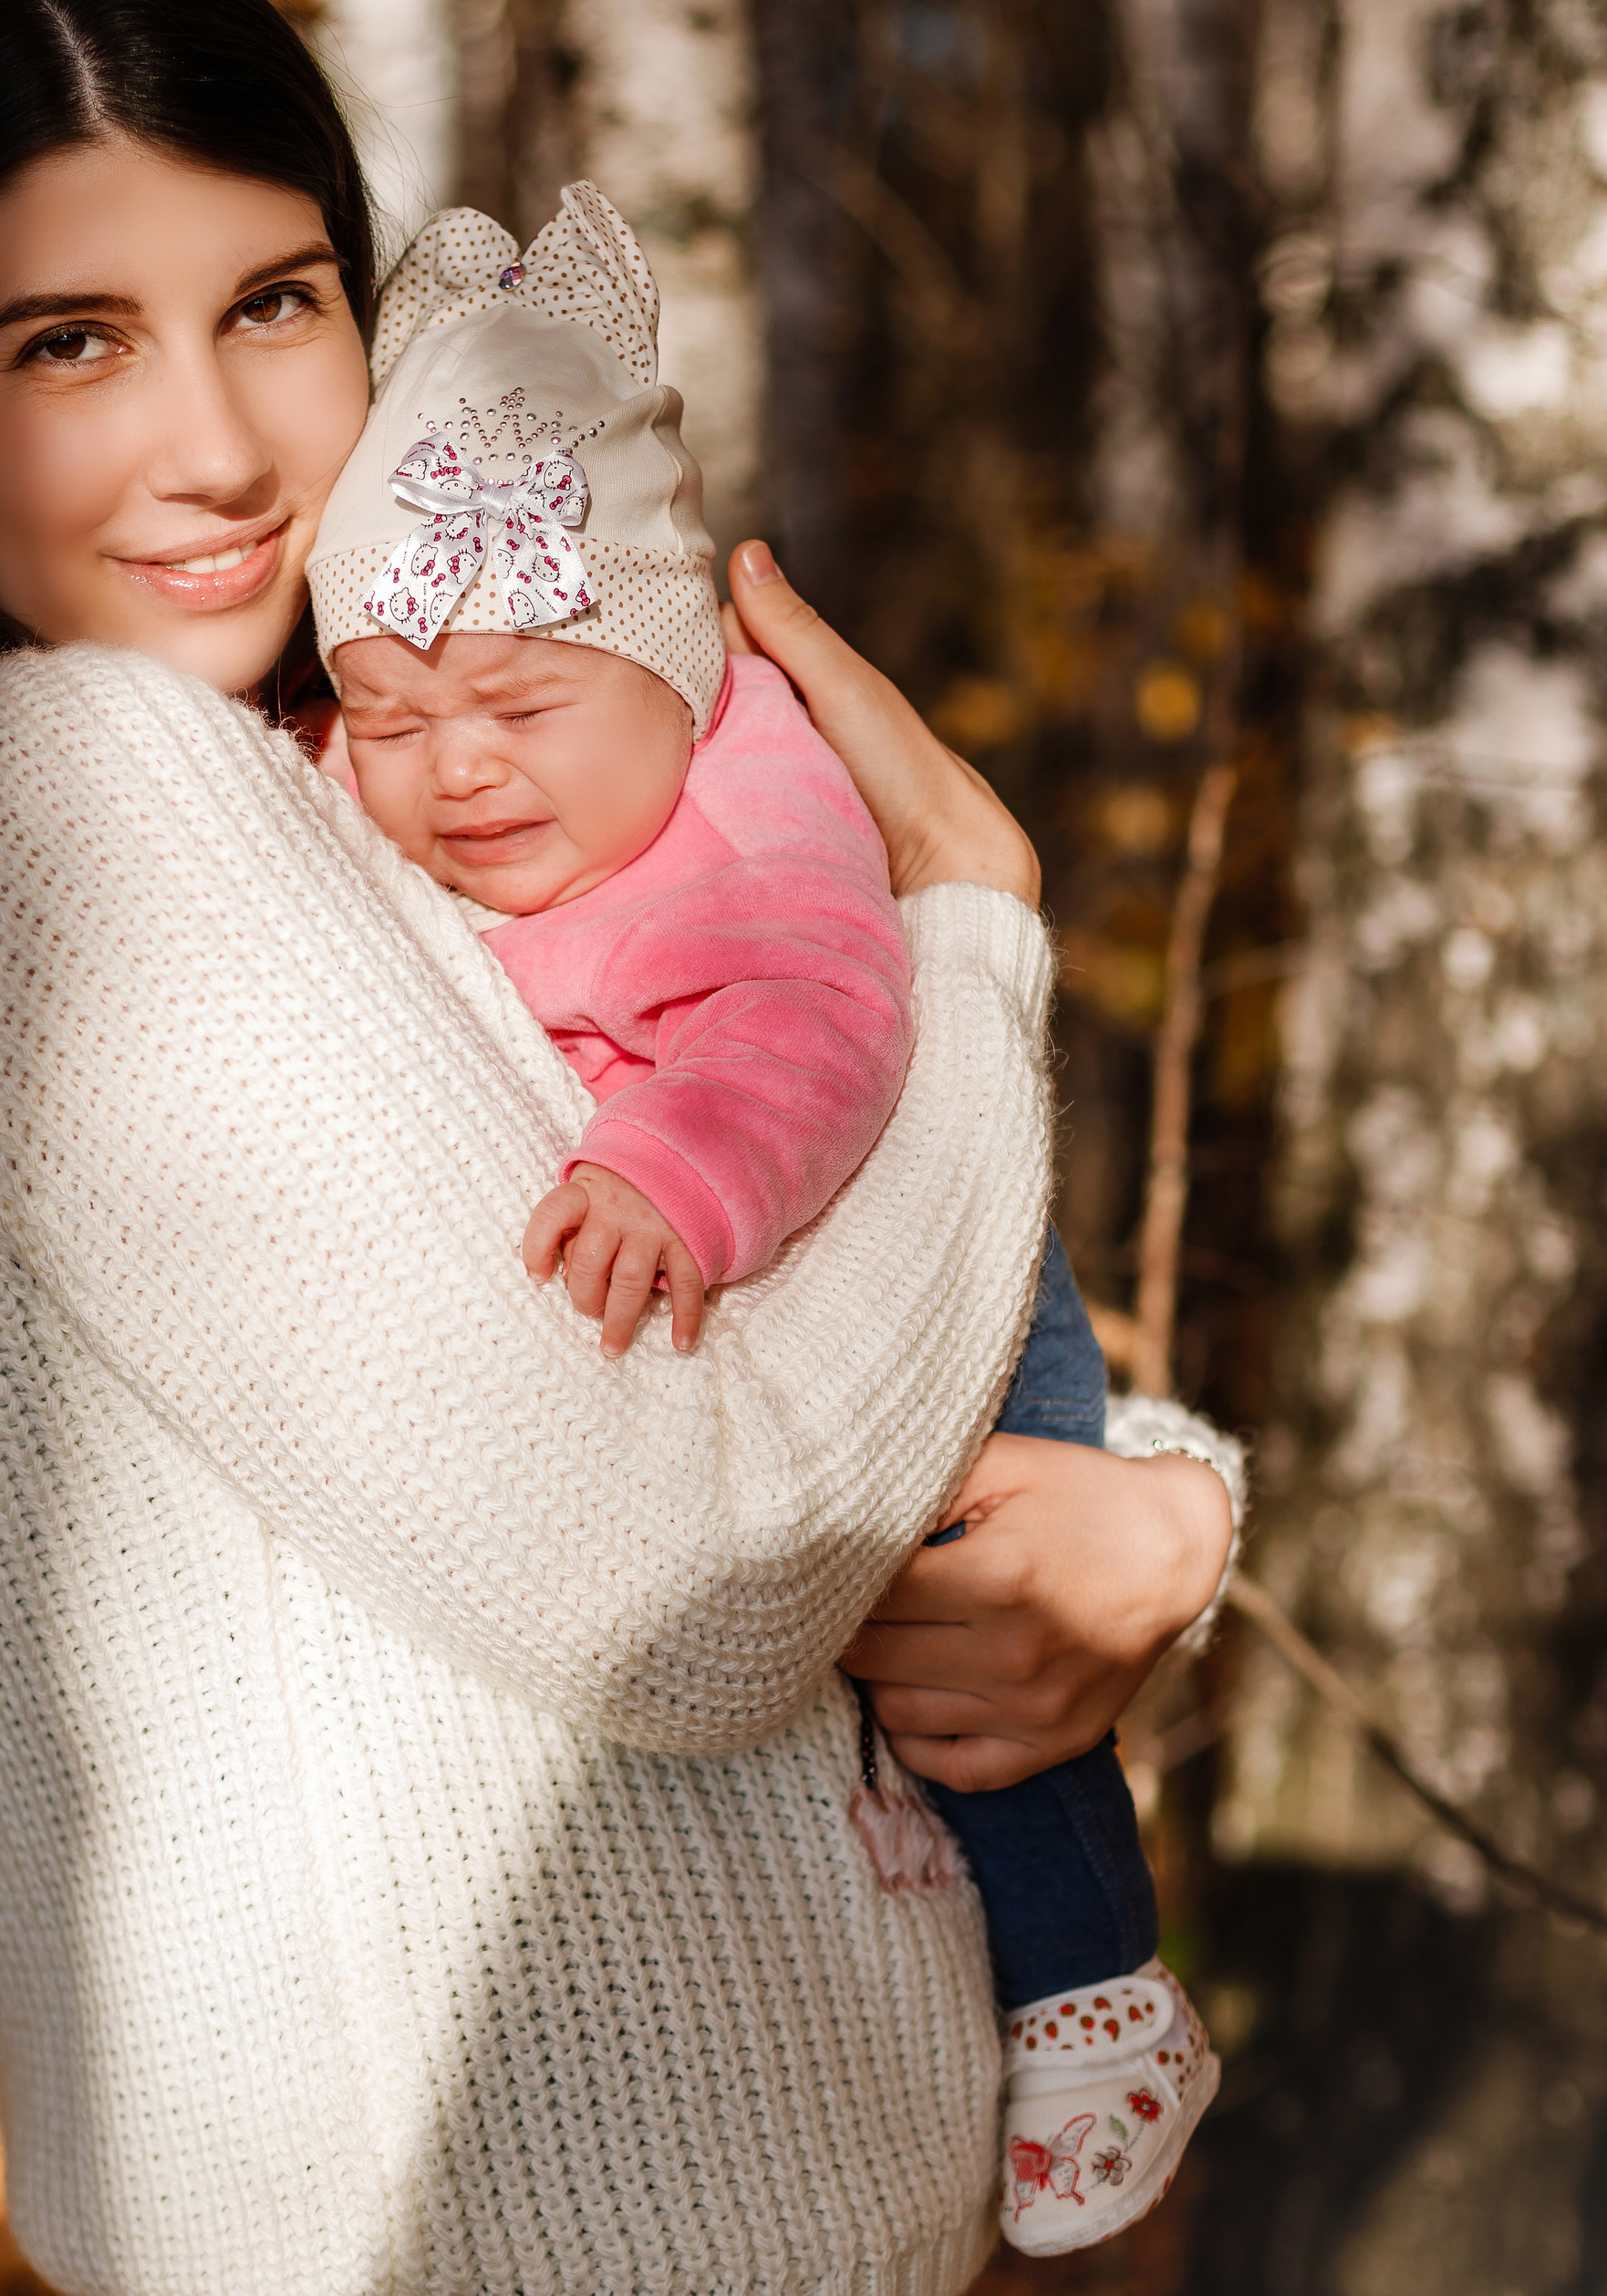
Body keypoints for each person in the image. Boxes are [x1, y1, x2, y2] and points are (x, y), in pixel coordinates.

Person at [0, 0, 1241, 2291]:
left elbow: (781, 1315)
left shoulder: (365, 774)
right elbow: (706, 1563)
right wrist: (965, 936)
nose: (222, 447)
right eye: (66, 341)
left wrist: (1156, 1508)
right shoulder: (38, 805)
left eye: (271, 300)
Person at [308, 182, 1220, 2254]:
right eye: (380, 711)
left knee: (980, 1668)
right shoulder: (475, 776)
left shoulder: (754, 804)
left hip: (924, 1249)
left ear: (677, 666)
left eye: (522, 705)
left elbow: (813, 1028)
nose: (453, 766)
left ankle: (1094, 1994)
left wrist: (667, 1173)